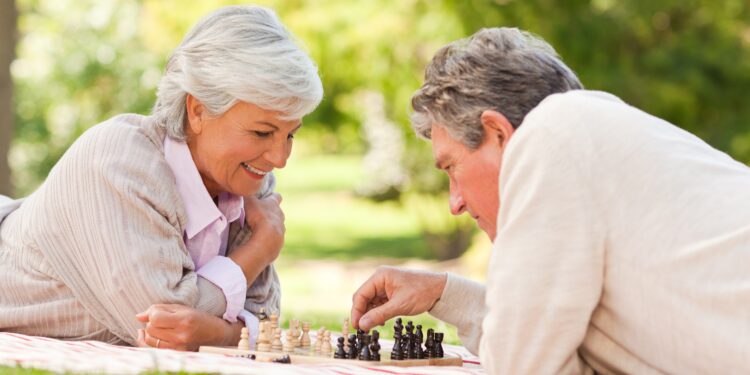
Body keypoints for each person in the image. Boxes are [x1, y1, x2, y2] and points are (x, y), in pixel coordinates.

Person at [351, 27, 750, 373]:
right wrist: (444, 293)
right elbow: (554, 332)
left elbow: (523, 367)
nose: (454, 203)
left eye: (452, 167)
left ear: (498, 133)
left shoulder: (551, 137)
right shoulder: (593, 132)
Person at [0, 5, 323, 352]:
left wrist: (219, 333)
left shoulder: (248, 181)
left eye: (290, 135)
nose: (280, 159)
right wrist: (257, 250)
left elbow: (263, 319)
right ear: (197, 110)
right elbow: (163, 324)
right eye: (262, 133)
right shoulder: (119, 161)